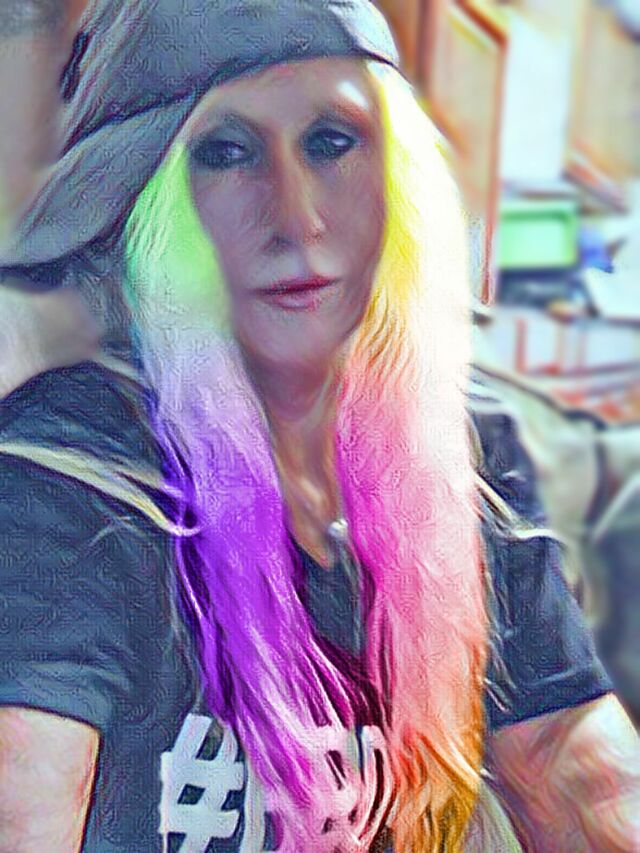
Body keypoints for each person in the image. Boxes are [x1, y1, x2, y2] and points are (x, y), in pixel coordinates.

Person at [0, 2, 638, 851]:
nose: (296, 217)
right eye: (226, 153)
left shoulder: (466, 457)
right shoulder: (67, 474)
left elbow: (568, 758)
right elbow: (23, 797)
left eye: (332, 142)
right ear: (155, 203)